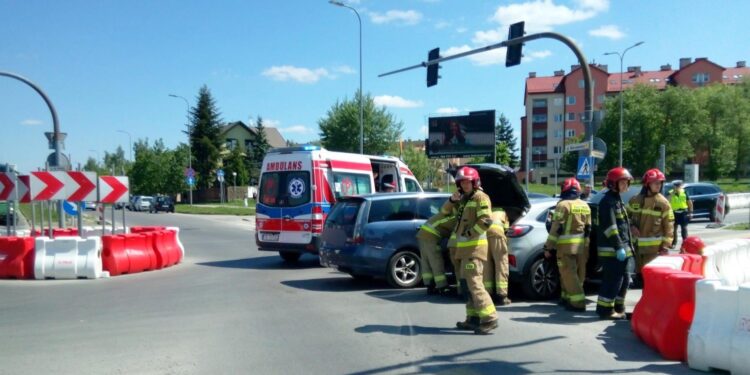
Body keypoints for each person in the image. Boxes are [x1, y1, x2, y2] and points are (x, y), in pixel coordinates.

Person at [442, 166, 498, 334]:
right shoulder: (463, 199)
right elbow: (444, 212)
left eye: (468, 182)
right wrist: (452, 200)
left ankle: (490, 318)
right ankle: (473, 318)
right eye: (462, 182)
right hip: (464, 251)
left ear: (474, 182)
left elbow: (486, 221)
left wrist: (469, 233)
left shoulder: (481, 197)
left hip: (474, 251)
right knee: (467, 285)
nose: (465, 185)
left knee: (474, 284)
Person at [543, 178, 591, 312]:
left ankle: (578, 302)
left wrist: (548, 247)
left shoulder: (563, 205)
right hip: (582, 246)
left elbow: (556, 229)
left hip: (565, 246)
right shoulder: (585, 205)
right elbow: (588, 228)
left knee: (567, 272)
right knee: (577, 272)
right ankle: (566, 298)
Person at [595, 167, 635, 320]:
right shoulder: (608, 202)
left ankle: (618, 307)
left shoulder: (617, 199)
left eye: (626, 182)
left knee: (624, 280)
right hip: (612, 250)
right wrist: (619, 247)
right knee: (613, 281)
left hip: (621, 248)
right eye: (622, 182)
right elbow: (610, 227)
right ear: (613, 183)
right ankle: (605, 310)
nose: (625, 185)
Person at [627, 168, 674, 280]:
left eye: (660, 183)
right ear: (647, 184)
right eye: (655, 183)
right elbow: (625, 218)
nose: (659, 185)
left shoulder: (663, 203)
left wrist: (665, 248)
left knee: (651, 279)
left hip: (653, 251)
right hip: (636, 249)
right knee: (639, 279)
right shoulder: (635, 200)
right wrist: (631, 226)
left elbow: (669, 227)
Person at [416, 211, 455, 295]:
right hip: (430, 237)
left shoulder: (447, 214)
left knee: (426, 261)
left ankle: (429, 285)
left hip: (422, 235)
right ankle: (442, 287)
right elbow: (456, 233)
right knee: (436, 262)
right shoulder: (455, 219)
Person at [486, 206, 512, 306]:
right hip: (497, 236)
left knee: (487, 266)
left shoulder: (488, 211)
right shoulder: (503, 213)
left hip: (484, 236)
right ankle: (502, 296)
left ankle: (488, 293)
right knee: (501, 265)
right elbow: (506, 230)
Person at [668, 180, 693, 249]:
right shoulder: (670, 193)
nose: (677, 188)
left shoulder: (684, 192)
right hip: (674, 213)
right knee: (673, 229)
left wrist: (691, 212)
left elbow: (689, 202)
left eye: (678, 186)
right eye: (676, 186)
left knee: (684, 229)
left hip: (683, 212)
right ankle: (673, 243)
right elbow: (667, 201)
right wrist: (672, 194)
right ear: (673, 186)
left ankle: (685, 244)